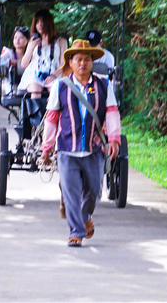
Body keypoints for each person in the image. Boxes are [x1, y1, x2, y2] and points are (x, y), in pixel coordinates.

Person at [40, 39, 121, 247]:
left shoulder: (104, 84)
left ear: (92, 62)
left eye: (87, 59)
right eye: (78, 59)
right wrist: (46, 147)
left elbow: (111, 112)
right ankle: (75, 232)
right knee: (71, 193)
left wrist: (113, 138)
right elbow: (51, 118)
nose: (83, 63)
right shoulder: (60, 86)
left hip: (94, 148)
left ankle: (85, 217)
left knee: (94, 191)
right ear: (71, 62)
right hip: (67, 148)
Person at [18, 9, 68, 98]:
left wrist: (53, 75)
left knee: (55, 91)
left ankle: (52, 112)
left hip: (54, 74)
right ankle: (34, 112)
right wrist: (30, 48)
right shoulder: (32, 41)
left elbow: (63, 63)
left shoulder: (61, 41)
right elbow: (23, 64)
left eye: (42, 22)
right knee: (36, 91)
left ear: (49, 23)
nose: (39, 25)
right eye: (37, 22)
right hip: (34, 74)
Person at [0, 26, 30, 94]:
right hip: (12, 84)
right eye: (15, 37)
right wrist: (14, 62)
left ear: (27, 40)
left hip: (27, 83)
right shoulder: (9, 53)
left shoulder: (30, 54)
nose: (17, 40)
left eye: (21, 38)